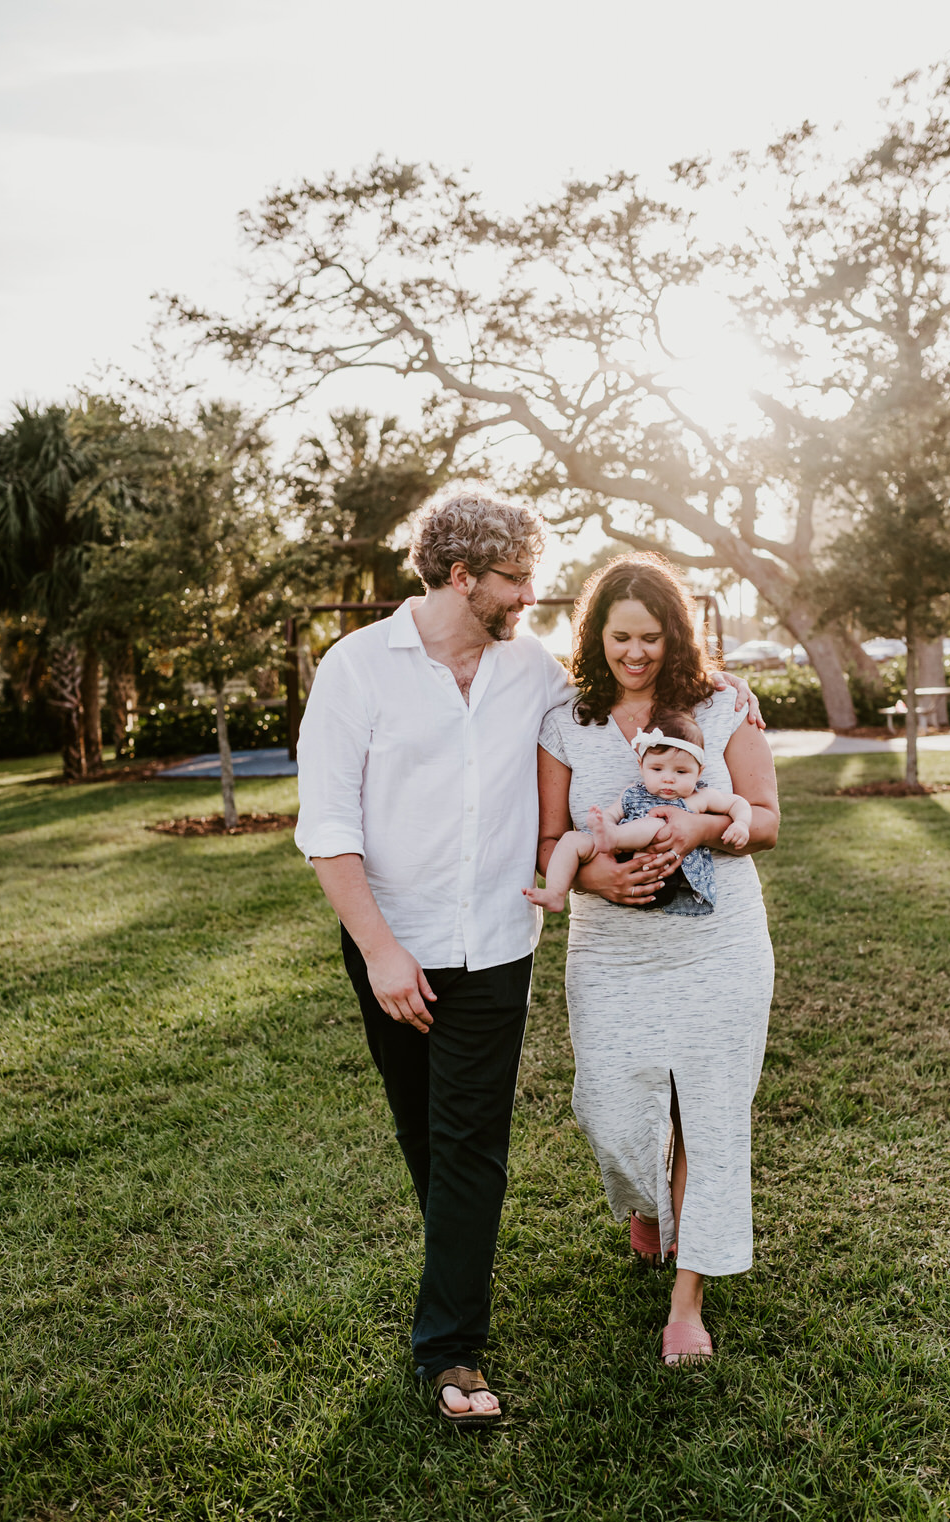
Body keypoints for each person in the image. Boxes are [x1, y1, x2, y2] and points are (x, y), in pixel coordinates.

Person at [294, 493, 760, 1425]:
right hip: (393, 945)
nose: (528, 595)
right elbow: (328, 826)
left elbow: (627, 695)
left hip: (497, 944)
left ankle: (450, 1350)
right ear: (462, 575)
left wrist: (726, 704)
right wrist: (380, 952)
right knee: (426, 1138)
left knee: (469, 1143)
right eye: (514, 579)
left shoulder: (532, 671)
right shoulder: (356, 668)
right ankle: (459, 1268)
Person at [536, 552, 779, 1366]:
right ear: (595, 638)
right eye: (619, 638)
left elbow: (766, 818)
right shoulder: (566, 720)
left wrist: (701, 827)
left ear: (675, 633)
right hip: (612, 952)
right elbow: (547, 837)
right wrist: (595, 878)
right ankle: (647, 1201)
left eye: (650, 637)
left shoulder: (721, 705)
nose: (635, 653)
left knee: (707, 1114)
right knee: (608, 1110)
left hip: (718, 942)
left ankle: (686, 1304)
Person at [523, 711, 750, 915]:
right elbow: (612, 814)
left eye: (681, 771)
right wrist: (604, 823)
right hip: (614, 857)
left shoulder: (699, 797)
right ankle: (555, 892)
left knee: (657, 822)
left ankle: (613, 837)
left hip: (657, 874)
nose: (668, 778)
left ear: (699, 772)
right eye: (657, 769)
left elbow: (737, 803)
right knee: (571, 839)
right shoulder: (632, 792)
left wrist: (740, 823)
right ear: (641, 766)